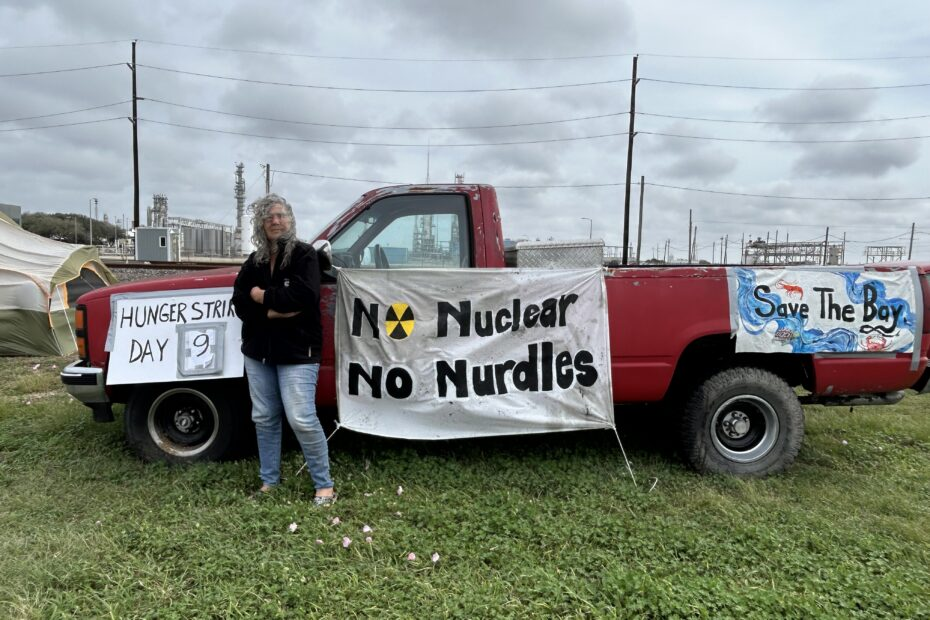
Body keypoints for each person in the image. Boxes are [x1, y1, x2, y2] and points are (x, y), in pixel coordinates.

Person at [232, 193, 335, 506]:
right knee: (264, 417)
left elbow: (304, 298)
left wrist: (262, 297)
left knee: (301, 417)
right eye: (268, 217)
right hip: (258, 352)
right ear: (260, 226)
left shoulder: (305, 255)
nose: (275, 221)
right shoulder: (254, 261)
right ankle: (269, 481)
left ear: (291, 219)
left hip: (298, 352)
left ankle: (324, 486)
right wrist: (272, 309)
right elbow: (239, 303)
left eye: (280, 215)